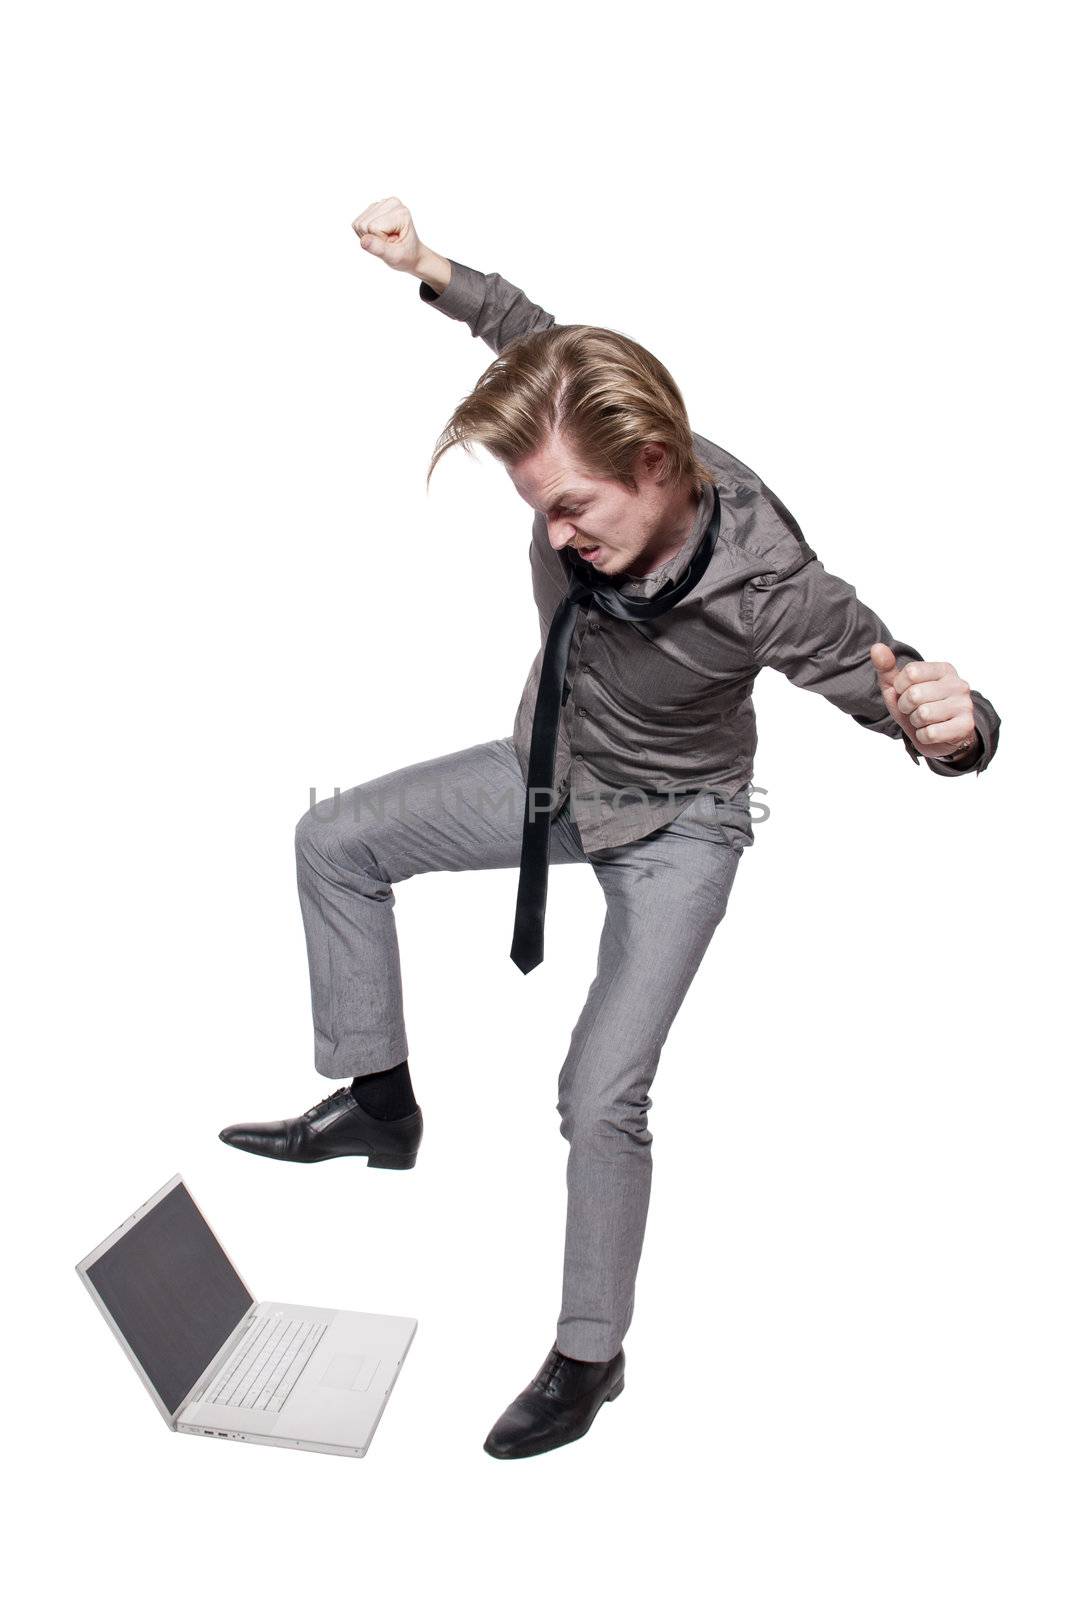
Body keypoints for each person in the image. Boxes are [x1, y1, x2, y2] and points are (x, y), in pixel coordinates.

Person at [219, 196, 1001, 1459]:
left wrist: (956, 726)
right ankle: (379, 1100)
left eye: (575, 507)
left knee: (598, 1094)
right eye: (538, 508)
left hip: (680, 821)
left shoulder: (770, 583)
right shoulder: (593, 429)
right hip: (552, 774)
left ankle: (592, 1355)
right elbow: (534, 337)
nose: (555, 534)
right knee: (335, 843)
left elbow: (895, 692)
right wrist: (432, 269)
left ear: (658, 464)